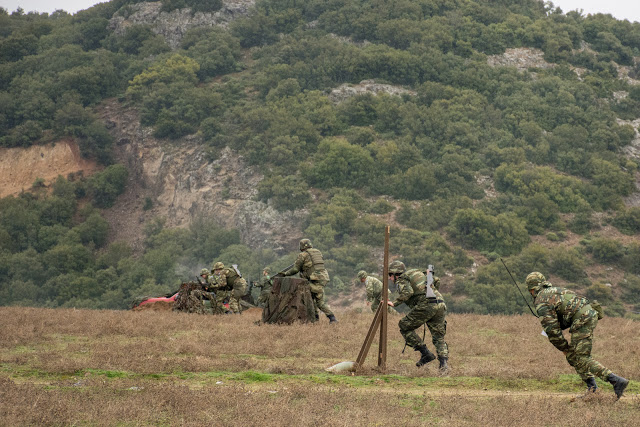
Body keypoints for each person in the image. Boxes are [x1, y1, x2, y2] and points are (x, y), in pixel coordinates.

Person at [526, 272, 629, 398]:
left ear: (531, 289)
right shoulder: (556, 290)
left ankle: (615, 380)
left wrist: (564, 348)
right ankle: (593, 390)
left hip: (582, 319)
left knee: (581, 357)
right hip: (588, 315)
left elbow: (552, 331)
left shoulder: (541, 300)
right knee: (574, 356)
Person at [387, 260, 448, 372]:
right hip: (440, 303)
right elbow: (436, 280)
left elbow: (408, 292)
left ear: (396, 274)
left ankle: (425, 353)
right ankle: (444, 365)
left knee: (404, 325)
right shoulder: (419, 273)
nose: (390, 279)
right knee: (438, 336)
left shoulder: (402, 279)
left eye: (390, 275)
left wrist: (394, 303)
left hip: (427, 304)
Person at [282, 239, 337, 323]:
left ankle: (325, 319)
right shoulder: (317, 252)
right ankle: (321, 318)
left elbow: (296, 269)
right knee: (315, 300)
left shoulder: (303, 255)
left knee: (313, 300)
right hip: (323, 278)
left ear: (301, 246)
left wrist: (285, 274)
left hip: (314, 280)